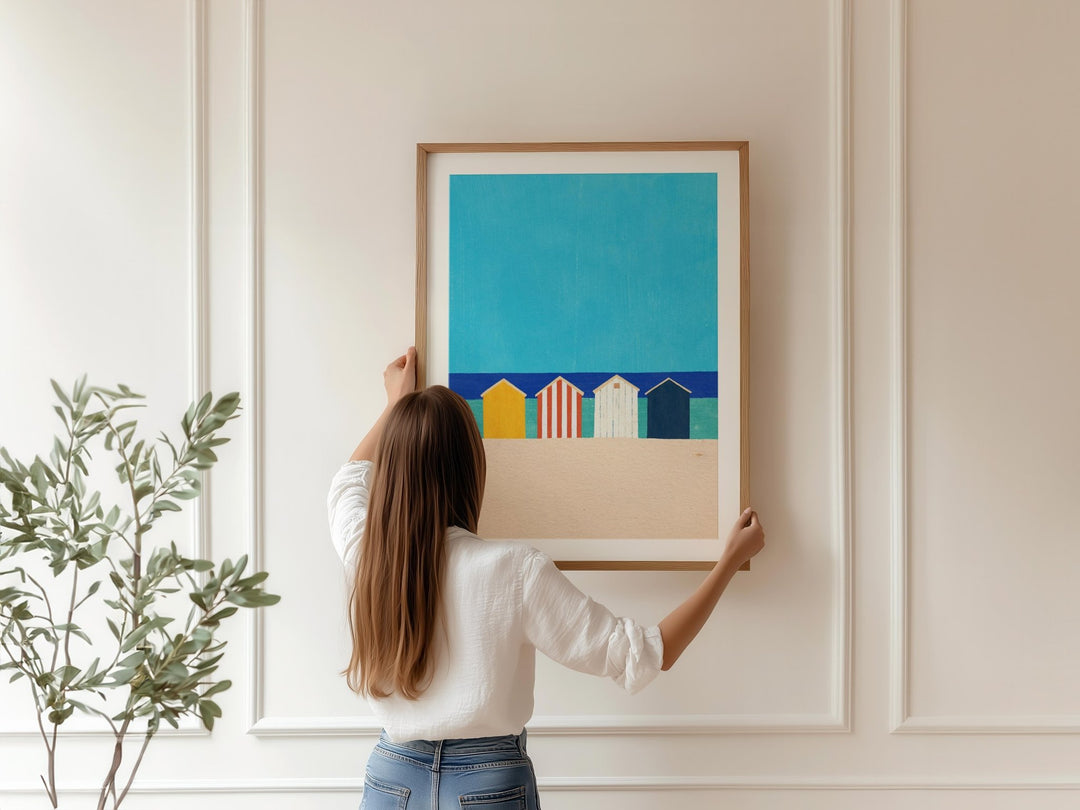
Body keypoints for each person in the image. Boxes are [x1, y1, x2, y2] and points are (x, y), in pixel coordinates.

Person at [328, 348, 765, 810]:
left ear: (393, 471)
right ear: (470, 467)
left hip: (392, 782)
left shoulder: (367, 555)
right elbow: (646, 654)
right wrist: (728, 564)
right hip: (488, 786)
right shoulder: (514, 570)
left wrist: (397, 406)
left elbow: (348, 481)